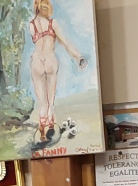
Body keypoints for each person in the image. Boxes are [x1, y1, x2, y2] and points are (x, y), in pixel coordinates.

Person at [29, 0, 86, 143]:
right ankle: (50, 127)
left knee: (43, 103)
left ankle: (42, 132)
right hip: (50, 59)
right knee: (50, 102)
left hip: (37, 60)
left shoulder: (31, 25)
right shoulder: (52, 24)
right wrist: (78, 56)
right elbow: (65, 42)